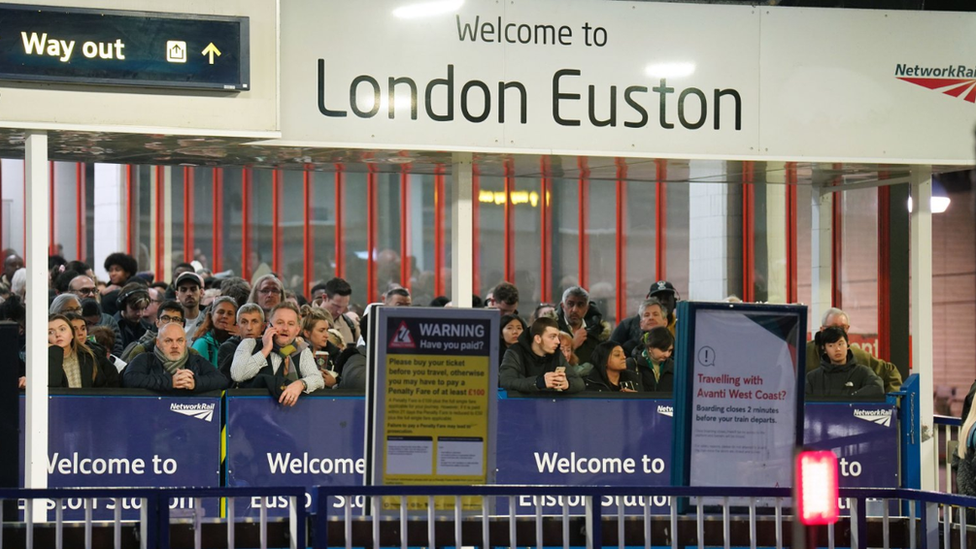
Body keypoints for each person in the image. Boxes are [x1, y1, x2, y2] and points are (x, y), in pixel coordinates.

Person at [230, 302, 325, 406]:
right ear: (269, 326)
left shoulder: (302, 350)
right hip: (252, 411)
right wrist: (266, 349)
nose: (285, 328)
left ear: (297, 330)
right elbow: (238, 375)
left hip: (288, 413)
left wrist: (300, 384)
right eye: (280, 323)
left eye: (291, 324)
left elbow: (318, 379)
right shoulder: (249, 343)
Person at [805, 307, 902, 393]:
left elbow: (890, 373)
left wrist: (891, 406)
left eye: (843, 328)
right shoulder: (804, 354)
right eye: (834, 327)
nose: (839, 332)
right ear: (822, 329)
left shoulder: (858, 356)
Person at [122, 323, 229, 393]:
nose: (175, 346)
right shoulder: (145, 359)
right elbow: (129, 379)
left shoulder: (196, 360)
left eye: (179, 340)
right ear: (158, 343)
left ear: (185, 343)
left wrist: (195, 383)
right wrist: (171, 381)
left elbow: (221, 380)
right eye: (168, 341)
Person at [499, 317, 583, 395]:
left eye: (557, 337)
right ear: (538, 339)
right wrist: (539, 382)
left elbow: (579, 382)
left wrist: (567, 384)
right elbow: (506, 381)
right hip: (519, 406)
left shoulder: (556, 353)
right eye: (552, 337)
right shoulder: (515, 352)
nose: (557, 341)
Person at [30, 314, 117, 389]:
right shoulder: (41, 361)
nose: (57, 334)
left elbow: (102, 386)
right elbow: (53, 386)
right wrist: (54, 352)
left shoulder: (87, 356)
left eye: (62, 329)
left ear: (72, 334)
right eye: (50, 332)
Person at [805, 326, 884, 398]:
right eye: (831, 346)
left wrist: (850, 399)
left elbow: (878, 388)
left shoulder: (863, 372)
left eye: (840, 344)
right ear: (824, 349)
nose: (837, 349)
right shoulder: (813, 378)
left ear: (848, 345)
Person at [556, 286, 610, 366]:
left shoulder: (598, 331)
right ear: (563, 306)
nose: (574, 309)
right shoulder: (552, 329)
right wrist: (572, 345)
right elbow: (547, 362)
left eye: (580, 305)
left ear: (587, 308)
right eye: (570, 304)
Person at [120, 301, 187, 362]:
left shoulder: (192, 354)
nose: (170, 322)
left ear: (182, 324)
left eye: (176, 319)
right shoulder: (141, 350)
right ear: (157, 322)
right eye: (165, 318)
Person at [217, 303, 266, 385]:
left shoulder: (269, 346)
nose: (249, 328)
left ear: (263, 327)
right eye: (244, 322)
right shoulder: (227, 348)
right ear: (237, 327)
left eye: (254, 322)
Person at [300, 305, 342, 389]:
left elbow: (346, 383)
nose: (326, 335)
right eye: (321, 331)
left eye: (327, 330)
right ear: (307, 333)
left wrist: (335, 383)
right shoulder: (295, 353)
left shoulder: (337, 356)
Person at [191, 296, 238, 368]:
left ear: (235, 319)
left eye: (230, 313)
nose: (225, 316)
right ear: (211, 316)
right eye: (221, 312)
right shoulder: (202, 344)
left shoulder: (240, 342)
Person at [628, 327, 675, 393]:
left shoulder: (674, 367)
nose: (667, 355)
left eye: (670, 350)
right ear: (650, 348)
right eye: (663, 350)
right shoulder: (632, 364)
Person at [320, 277, 359, 348]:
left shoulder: (351, 326)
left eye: (344, 306)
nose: (340, 311)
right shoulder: (305, 322)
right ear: (324, 297)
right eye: (336, 306)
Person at [113, 282, 152, 349]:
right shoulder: (112, 327)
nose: (139, 313)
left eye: (143, 308)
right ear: (123, 305)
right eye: (135, 308)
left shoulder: (148, 328)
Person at [174, 272, 205, 344]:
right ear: (177, 294)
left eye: (193, 289)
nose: (189, 294)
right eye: (183, 290)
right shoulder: (168, 319)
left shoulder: (209, 319)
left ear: (201, 292)